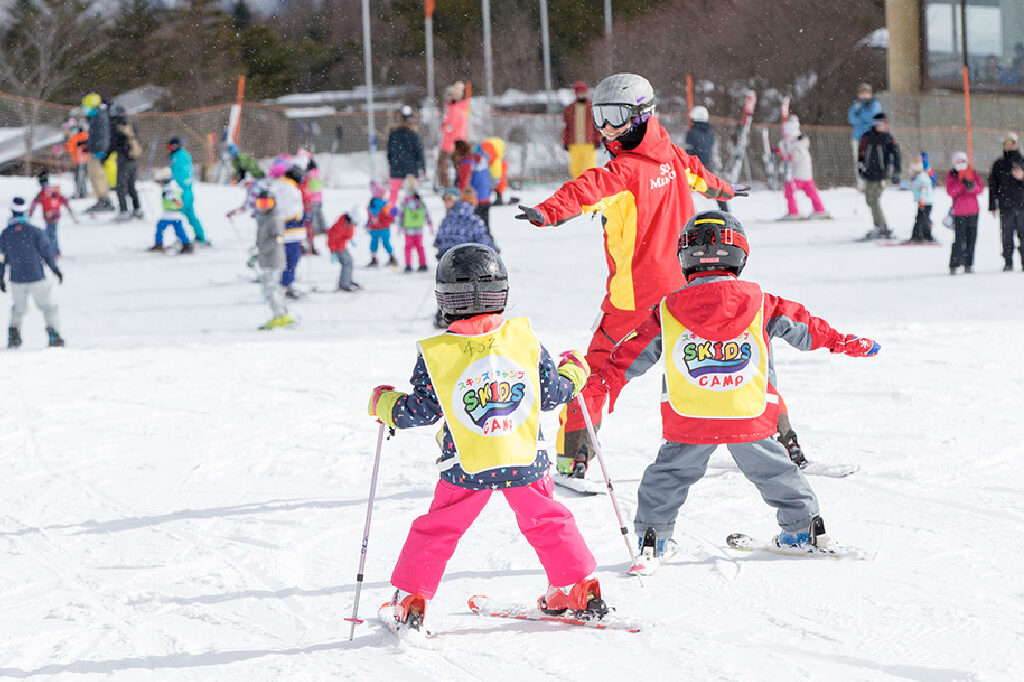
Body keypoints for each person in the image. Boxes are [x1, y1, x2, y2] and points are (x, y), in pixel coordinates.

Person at [588, 210, 880, 563]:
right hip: (748, 412)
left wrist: (600, 383)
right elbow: (808, 328)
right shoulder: (763, 303)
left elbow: (629, 356)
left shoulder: (667, 311)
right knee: (775, 470)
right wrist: (843, 342)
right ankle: (803, 528)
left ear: (684, 258)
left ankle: (655, 539)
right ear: (740, 256)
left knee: (668, 475)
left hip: (691, 416)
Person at [369, 243, 607, 632]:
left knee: (439, 528)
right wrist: (574, 372)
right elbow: (551, 395)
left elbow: (422, 411)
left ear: (444, 298)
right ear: (502, 293)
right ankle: (579, 588)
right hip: (523, 458)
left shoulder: (439, 352)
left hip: (466, 464)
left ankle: (411, 601)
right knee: (547, 519)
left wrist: (386, 404)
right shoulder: (524, 339)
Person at [515, 72, 741, 482]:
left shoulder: (623, 172)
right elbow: (699, 176)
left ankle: (573, 457)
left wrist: (547, 212)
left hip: (636, 298)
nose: (606, 128)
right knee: (715, 360)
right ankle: (770, 436)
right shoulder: (671, 156)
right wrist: (723, 190)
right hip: (688, 289)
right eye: (599, 117)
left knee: (596, 372)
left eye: (616, 116)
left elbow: (583, 191)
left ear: (641, 115)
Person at [0, 197, 65, 348]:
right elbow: (47, 252)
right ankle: (53, 334)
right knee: (48, 306)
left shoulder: (5, 234)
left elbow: (1, 257)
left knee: (19, 308)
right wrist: (54, 269)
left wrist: (1, 276)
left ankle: (13, 334)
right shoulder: (34, 231)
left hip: (17, 278)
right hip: (36, 276)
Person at [433, 187, 494, 328]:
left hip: (449, 263)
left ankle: (444, 314)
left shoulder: (448, 219)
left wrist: (443, 252)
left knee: (449, 289)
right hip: (470, 264)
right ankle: (470, 317)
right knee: (470, 290)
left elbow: (439, 239)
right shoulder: (475, 220)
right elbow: (483, 243)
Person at [252, 187, 294, 329]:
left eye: (266, 204)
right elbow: (261, 239)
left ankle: (280, 316)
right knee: (272, 289)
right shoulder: (262, 219)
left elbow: (277, 240)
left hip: (274, 260)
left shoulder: (275, 219)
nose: (263, 207)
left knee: (271, 290)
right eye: (261, 204)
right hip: (266, 259)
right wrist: (256, 254)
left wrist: (261, 250)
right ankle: (282, 314)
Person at [776, 115, 829, 221]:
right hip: (805, 174)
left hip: (798, 174)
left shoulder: (798, 142)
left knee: (789, 191)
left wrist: (789, 156)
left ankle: (793, 212)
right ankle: (819, 209)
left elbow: (797, 154)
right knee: (811, 192)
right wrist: (780, 152)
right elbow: (787, 154)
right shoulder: (792, 142)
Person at [857, 112, 901, 240]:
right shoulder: (867, 137)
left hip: (881, 175)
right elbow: (861, 154)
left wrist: (896, 171)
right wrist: (861, 168)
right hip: (869, 174)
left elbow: (897, 154)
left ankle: (882, 225)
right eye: (882, 123)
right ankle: (878, 225)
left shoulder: (887, 138)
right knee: (869, 200)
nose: (884, 126)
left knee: (874, 199)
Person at [267, 157, 306, 296]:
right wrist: (298, 216)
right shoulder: (290, 189)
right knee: (291, 259)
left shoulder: (279, 186)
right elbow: (290, 210)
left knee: (284, 259)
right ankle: (285, 286)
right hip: (292, 231)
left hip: (282, 229)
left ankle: (282, 284)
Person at [988, 132, 1024, 272]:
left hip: (1022, 205)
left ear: (1017, 144)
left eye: (1012, 143)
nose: (1010, 146)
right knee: (1006, 236)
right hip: (1006, 206)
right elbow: (993, 185)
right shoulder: (999, 164)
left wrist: (1022, 177)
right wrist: (992, 205)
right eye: (1007, 143)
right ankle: (1008, 262)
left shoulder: (1022, 161)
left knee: (1023, 235)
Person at [684, 105, 727, 212]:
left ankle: (684, 211)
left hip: (694, 166)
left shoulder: (691, 133)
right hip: (707, 165)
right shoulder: (711, 134)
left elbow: (689, 151)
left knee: (682, 188)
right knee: (714, 187)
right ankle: (724, 209)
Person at [947, 151, 984, 274]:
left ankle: (968, 263)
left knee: (971, 239)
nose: (961, 163)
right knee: (959, 239)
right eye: (958, 161)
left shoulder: (972, 173)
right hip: (959, 212)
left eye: (963, 161)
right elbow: (950, 191)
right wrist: (961, 184)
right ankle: (954, 264)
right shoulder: (952, 175)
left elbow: (980, 189)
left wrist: (972, 187)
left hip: (973, 211)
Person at [166, 137, 208, 245]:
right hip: (186, 190)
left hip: (182, 191)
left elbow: (181, 173)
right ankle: (200, 236)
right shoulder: (181, 155)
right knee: (190, 214)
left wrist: (172, 182)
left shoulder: (179, 156)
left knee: (178, 216)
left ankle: (182, 239)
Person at [386, 105, 426, 208]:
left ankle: (390, 213)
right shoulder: (413, 135)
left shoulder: (393, 135)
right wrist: (422, 168)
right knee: (412, 195)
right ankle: (412, 214)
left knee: (393, 195)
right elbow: (419, 153)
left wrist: (392, 164)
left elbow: (389, 153)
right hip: (411, 170)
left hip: (396, 169)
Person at [109, 104, 143, 222]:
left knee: (120, 186)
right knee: (131, 186)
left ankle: (123, 211)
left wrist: (106, 155)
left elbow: (114, 144)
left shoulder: (116, 127)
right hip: (133, 158)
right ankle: (137, 209)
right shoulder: (130, 125)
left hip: (123, 159)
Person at [81, 92, 114, 213]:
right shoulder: (95, 117)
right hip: (94, 150)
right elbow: (94, 135)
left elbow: (103, 135)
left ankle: (104, 200)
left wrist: (101, 150)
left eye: (87, 107)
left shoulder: (100, 116)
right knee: (92, 175)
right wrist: (88, 145)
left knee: (97, 175)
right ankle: (101, 198)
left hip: (99, 151)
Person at [562, 80, 603, 179]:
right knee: (575, 168)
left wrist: (598, 138)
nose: (581, 94)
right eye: (579, 92)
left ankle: (591, 185)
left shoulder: (591, 107)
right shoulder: (569, 108)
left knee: (590, 167)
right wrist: (565, 140)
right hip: (574, 143)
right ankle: (578, 185)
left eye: (583, 92)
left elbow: (596, 125)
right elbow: (566, 126)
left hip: (589, 143)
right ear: (575, 93)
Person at [29, 172, 75, 256]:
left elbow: (34, 204)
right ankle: (55, 251)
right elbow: (64, 201)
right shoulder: (54, 190)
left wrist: (29, 215)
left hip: (48, 216)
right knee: (52, 233)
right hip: (56, 215)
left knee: (50, 234)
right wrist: (71, 212)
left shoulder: (42, 193)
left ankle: (53, 252)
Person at [148, 170, 193, 254]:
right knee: (179, 230)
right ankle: (186, 244)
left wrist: (169, 197)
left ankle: (158, 244)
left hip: (169, 214)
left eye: (160, 181)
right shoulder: (175, 186)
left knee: (160, 227)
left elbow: (172, 197)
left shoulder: (168, 188)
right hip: (176, 213)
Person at [847, 82, 882, 191]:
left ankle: (874, 183)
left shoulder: (875, 104)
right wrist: (863, 118)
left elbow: (873, 118)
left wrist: (860, 116)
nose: (864, 95)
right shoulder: (856, 105)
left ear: (870, 94)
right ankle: (861, 184)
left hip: (871, 138)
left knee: (872, 161)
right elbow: (851, 118)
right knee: (858, 161)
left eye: (866, 93)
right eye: (862, 93)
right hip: (857, 138)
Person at [456, 140, 494, 240]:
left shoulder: (468, 161)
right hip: (485, 196)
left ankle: (479, 245)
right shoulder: (484, 159)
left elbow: (463, 182)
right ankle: (490, 244)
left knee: (473, 228)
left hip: (474, 199)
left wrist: (459, 196)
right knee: (485, 226)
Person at [396, 175, 433, 272]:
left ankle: (408, 265)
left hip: (408, 228)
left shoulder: (405, 201)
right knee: (420, 246)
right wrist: (429, 224)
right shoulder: (419, 200)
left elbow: (401, 215)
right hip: (418, 228)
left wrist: (399, 226)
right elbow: (426, 212)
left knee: (408, 247)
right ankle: (423, 264)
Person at [437, 82, 469, 189]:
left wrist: (444, 128)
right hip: (457, 141)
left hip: (452, 142)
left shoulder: (455, 109)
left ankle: (448, 187)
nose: (447, 97)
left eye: (449, 95)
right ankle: (459, 185)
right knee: (457, 165)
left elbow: (451, 127)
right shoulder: (456, 108)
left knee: (444, 164)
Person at [295, 148, 326, 253]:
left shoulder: (307, 173)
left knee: (308, 224)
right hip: (313, 200)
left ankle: (308, 244)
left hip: (309, 201)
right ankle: (310, 244)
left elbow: (311, 187)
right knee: (310, 223)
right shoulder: (314, 171)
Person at [366, 180, 397, 267]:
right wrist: (392, 218)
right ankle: (392, 258)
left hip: (374, 228)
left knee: (373, 244)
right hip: (384, 228)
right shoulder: (385, 204)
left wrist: (368, 224)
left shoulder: (370, 205)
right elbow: (390, 215)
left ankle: (373, 259)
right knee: (386, 243)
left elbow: (368, 216)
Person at [327, 211, 360, 292]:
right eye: (355, 223)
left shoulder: (348, 224)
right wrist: (332, 251)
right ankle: (344, 284)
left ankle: (347, 280)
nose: (354, 225)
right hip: (337, 248)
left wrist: (350, 238)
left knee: (349, 261)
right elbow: (331, 238)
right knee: (347, 263)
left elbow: (347, 233)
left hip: (342, 246)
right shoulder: (340, 226)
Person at [906, 154, 935, 243]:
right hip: (924, 202)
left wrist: (921, 199)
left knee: (920, 220)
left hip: (925, 202)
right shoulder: (918, 177)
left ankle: (917, 236)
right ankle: (927, 235)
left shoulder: (922, 176)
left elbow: (924, 189)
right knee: (924, 219)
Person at [63, 119, 89, 199]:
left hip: (83, 160)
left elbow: (87, 143)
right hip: (78, 160)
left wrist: (82, 144)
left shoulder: (83, 135)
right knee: (78, 177)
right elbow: (69, 149)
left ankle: (82, 193)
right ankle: (80, 192)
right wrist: (66, 139)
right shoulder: (73, 137)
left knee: (81, 177)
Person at [480, 137, 509, 205]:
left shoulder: (485, 149)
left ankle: (489, 197)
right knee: (500, 180)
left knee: (494, 179)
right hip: (498, 159)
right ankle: (498, 198)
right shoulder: (495, 155)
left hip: (497, 160)